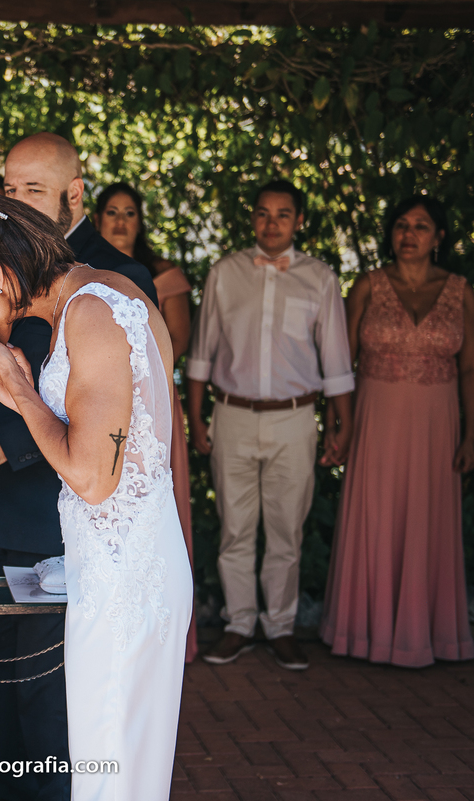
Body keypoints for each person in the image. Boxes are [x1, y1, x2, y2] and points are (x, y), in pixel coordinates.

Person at [0, 194, 192, 801]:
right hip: (105, 564)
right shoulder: (95, 295)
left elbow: (94, 479)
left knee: (109, 772)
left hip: (126, 578)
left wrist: (19, 388)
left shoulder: (93, 312)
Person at [186, 180, 354, 671]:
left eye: (283, 214)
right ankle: (240, 624)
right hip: (232, 415)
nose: (272, 223)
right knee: (235, 529)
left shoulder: (320, 278)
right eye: (263, 213)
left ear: (299, 220)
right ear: (252, 218)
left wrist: (342, 426)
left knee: (286, 530)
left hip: (295, 419)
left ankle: (280, 626)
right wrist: (196, 417)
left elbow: (338, 363)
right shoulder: (225, 273)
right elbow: (201, 353)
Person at [321, 196, 474, 668]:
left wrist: (472, 435)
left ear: (440, 236)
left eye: (421, 226)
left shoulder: (461, 291)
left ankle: (426, 634)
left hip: (437, 422)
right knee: (376, 513)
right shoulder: (368, 286)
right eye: (401, 226)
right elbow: (341, 364)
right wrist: (339, 423)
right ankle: (361, 631)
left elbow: (472, 367)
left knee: (428, 515)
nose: (409, 234)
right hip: (376, 418)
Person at [98, 181, 198, 662]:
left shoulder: (164, 276)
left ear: (141, 221)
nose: (120, 221)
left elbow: (172, 345)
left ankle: (164, 625)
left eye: (130, 213)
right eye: (112, 212)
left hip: (151, 404)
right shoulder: (82, 273)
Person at [3, 133, 158, 306]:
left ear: (74, 194)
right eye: (10, 190)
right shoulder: (3, 263)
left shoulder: (122, 275)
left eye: (34, 190)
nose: (16, 205)